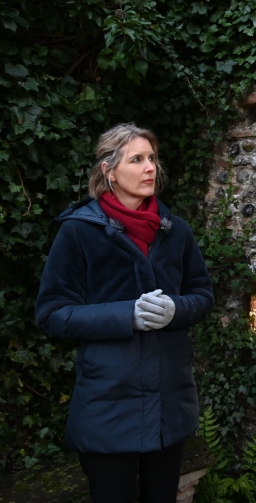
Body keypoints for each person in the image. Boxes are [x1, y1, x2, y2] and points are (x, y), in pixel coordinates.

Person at [35, 123, 214, 503]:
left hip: (169, 406)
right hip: (107, 408)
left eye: (152, 158)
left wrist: (175, 310)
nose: (150, 168)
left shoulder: (176, 231)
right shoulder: (79, 233)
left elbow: (202, 296)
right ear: (108, 170)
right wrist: (126, 315)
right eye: (137, 159)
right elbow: (52, 313)